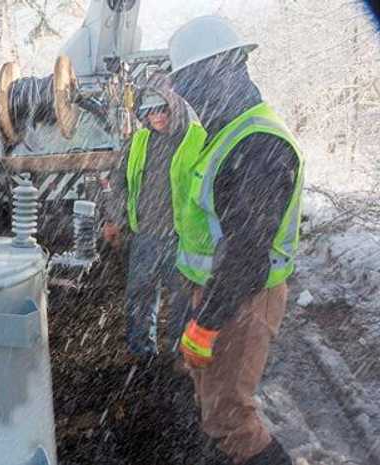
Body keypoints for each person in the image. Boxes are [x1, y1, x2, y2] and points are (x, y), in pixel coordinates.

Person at [169, 16, 304, 465]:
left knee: (230, 416)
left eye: (188, 83)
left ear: (218, 72)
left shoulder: (258, 144)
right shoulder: (224, 133)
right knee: (214, 406)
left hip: (245, 295)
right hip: (222, 291)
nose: (188, 99)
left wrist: (206, 323)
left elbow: (247, 255)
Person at [103, 73, 206, 363]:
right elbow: (120, 182)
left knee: (184, 301)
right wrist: (114, 219)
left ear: (175, 106)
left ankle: (179, 356)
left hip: (182, 237)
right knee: (139, 296)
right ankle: (141, 354)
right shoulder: (138, 141)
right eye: (149, 111)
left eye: (162, 109)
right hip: (145, 234)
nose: (157, 116)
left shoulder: (197, 138)